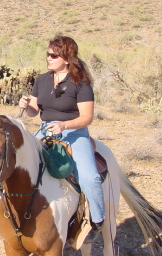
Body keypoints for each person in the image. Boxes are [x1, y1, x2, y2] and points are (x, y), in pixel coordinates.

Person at [19, 35, 105, 244]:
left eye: (53, 55)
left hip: (74, 133)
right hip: (45, 130)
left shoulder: (81, 84)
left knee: (89, 177)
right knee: (20, 162)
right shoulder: (41, 79)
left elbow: (87, 118)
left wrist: (65, 125)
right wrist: (27, 105)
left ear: (67, 58)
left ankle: (96, 220)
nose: (48, 58)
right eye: (48, 54)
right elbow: (34, 112)